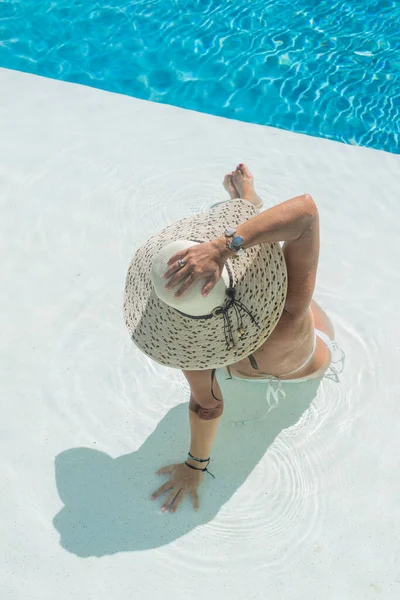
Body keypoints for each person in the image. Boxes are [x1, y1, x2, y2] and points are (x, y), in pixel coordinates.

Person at [123, 164, 336, 515]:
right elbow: (305, 213)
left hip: (245, 361)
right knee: (301, 300)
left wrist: (195, 466)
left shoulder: (191, 348)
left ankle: (247, 204)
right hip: (299, 359)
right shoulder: (287, 313)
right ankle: (247, 208)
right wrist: (223, 246)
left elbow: (208, 405)